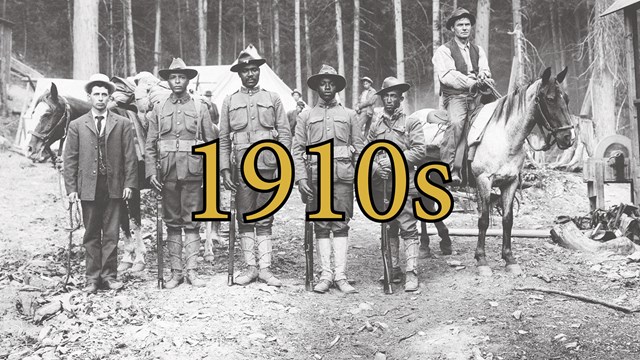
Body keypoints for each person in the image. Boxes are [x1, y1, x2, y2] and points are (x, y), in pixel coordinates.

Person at [219, 50, 292, 287]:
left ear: (259, 71)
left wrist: (284, 164)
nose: (250, 74)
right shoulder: (229, 101)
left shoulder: (273, 98)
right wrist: (224, 170)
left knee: (265, 216)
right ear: (239, 74)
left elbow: (284, 133)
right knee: (245, 217)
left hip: (267, 166)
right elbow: (223, 140)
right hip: (240, 168)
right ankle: (251, 267)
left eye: (254, 70)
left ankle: (266, 269)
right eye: (245, 70)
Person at [144, 58, 218, 289]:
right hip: (166, 174)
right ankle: (176, 272)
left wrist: (210, 173)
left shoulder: (200, 107)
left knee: (192, 222)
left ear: (188, 80)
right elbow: (150, 144)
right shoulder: (159, 108)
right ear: (168, 80)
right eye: (173, 77)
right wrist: (150, 172)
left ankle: (193, 271)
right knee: (172, 223)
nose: (177, 81)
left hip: (194, 173)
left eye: (182, 77)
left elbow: (211, 142)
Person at [63, 73, 138, 294]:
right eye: (96, 94)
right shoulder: (77, 125)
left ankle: (109, 277)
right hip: (88, 187)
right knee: (91, 234)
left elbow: (130, 157)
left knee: (112, 234)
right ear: (89, 97)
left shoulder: (122, 123)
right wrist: (71, 189)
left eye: (105, 94)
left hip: (114, 186)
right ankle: (91, 279)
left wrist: (129, 184)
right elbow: (70, 159)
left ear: (109, 97)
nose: (101, 98)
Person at [293, 64, 364, 294]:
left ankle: (341, 276)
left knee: (341, 224)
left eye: (330, 82)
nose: (326, 86)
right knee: (322, 225)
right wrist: (302, 178)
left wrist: (360, 178)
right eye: (322, 82)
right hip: (316, 177)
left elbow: (361, 149)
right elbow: (297, 150)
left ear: (336, 86)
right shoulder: (305, 116)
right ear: (316, 87)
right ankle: (325, 275)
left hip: (343, 177)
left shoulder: (350, 114)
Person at [367, 77, 426, 292]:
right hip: (383, 187)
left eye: (394, 96)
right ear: (382, 99)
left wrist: (393, 160)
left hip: (406, 183)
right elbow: (367, 152)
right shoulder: (376, 125)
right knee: (389, 227)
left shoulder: (411, 123)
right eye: (386, 96)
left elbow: (420, 151)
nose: (390, 99)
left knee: (408, 227)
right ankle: (393, 270)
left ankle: (412, 273)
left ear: (400, 99)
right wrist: (375, 166)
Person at [432, 8, 492, 185]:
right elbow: (448, 75)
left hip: (477, 97)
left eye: (467, 25)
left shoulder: (478, 50)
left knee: (494, 120)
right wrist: (470, 81)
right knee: (457, 123)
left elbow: (485, 68)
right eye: (460, 25)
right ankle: (447, 169)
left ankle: (490, 167)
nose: (465, 28)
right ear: (453, 28)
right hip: (455, 97)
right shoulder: (443, 51)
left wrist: (484, 77)